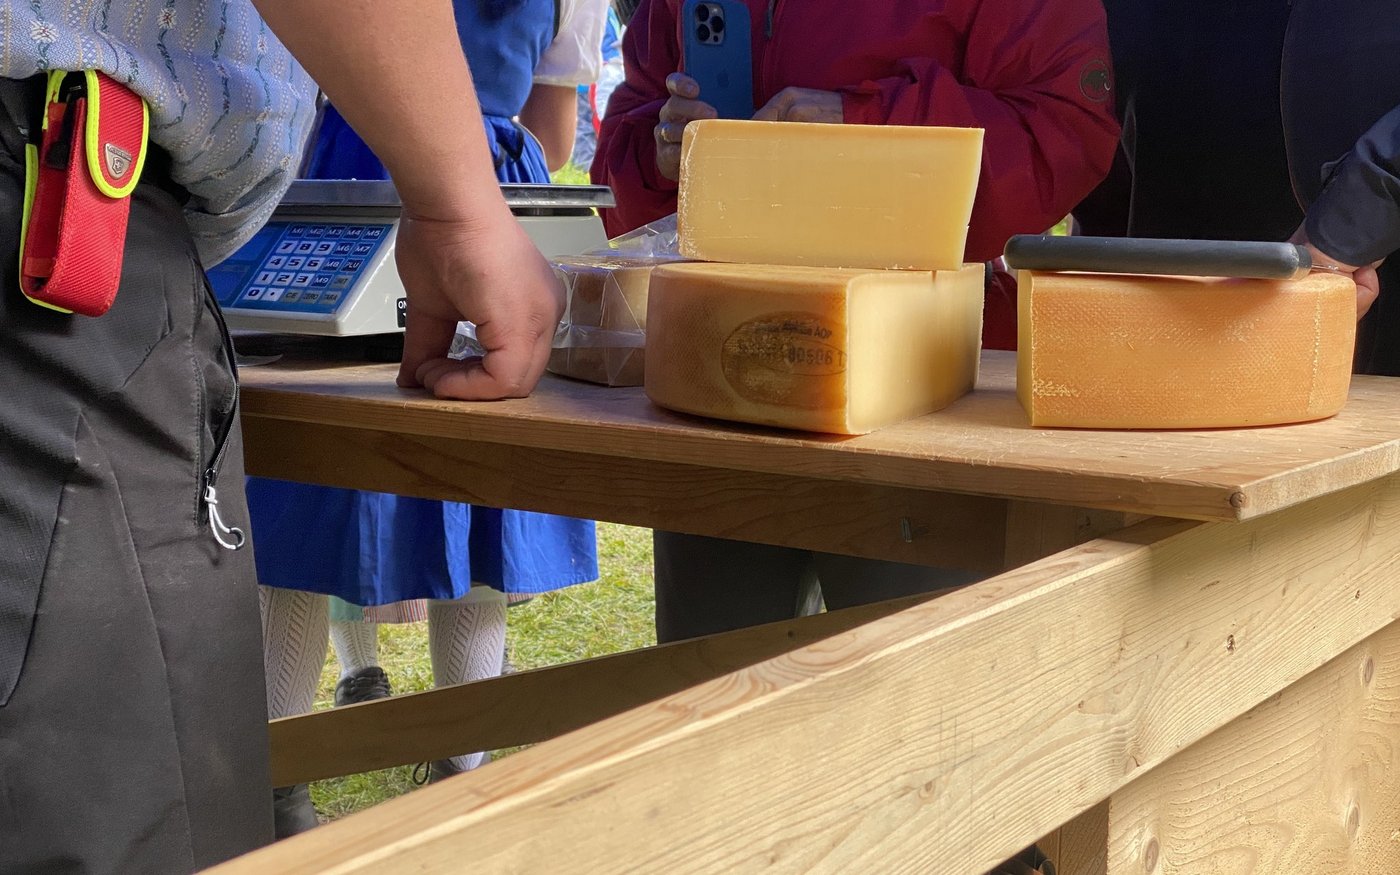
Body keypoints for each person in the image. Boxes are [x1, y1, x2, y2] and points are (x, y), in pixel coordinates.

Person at [0, 1, 566, 871]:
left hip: (76, 202)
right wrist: (459, 208)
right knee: (118, 816)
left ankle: (444, 762)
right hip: (52, 223)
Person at [590, 0, 1119, 644]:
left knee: (915, 675)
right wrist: (663, 154)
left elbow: (1063, 132)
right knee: (704, 665)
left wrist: (866, 126)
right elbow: (626, 147)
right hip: (717, 375)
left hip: (924, 388)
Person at [248, 0, 609, 837]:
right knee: (472, 495)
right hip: (484, 202)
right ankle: (457, 772)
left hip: (351, 180)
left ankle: (280, 786)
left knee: (308, 495)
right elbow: (553, 134)